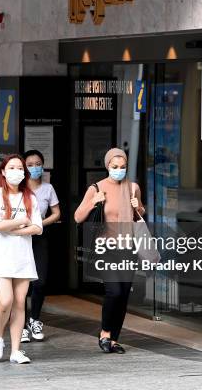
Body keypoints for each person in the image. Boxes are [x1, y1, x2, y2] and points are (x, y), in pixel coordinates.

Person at [73, 148, 145, 354]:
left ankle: (114, 339)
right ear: (107, 166)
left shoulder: (133, 187)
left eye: (123, 167)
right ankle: (105, 332)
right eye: (115, 167)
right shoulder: (96, 188)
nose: (119, 171)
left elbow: (140, 213)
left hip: (128, 247)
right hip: (107, 248)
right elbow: (78, 217)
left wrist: (137, 206)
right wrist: (94, 202)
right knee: (113, 291)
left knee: (123, 294)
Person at [0, 154, 43, 364]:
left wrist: (16, 229)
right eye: (12, 167)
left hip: (22, 257)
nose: (16, 171)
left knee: (19, 303)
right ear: (3, 172)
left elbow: (38, 227)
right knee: (5, 301)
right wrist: (21, 221)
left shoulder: (30, 197)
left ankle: (16, 350)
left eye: (20, 168)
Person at [20, 150, 60, 343]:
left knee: (40, 281)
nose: (34, 167)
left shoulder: (48, 188)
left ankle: (34, 319)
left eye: (38, 164)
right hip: (19, 238)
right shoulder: (18, 187)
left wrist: (40, 224)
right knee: (21, 283)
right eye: (30, 164)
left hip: (39, 237)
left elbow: (56, 213)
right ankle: (20, 326)